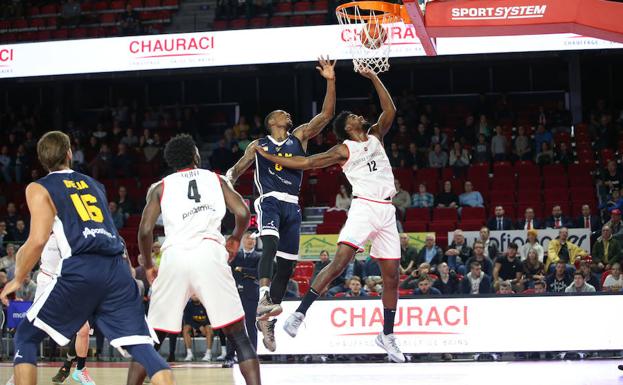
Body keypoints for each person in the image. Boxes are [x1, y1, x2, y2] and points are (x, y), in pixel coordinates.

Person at [254, 67, 405, 363]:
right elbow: (308, 162)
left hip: (388, 210)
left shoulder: (376, 135)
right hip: (363, 207)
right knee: (338, 264)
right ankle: (299, 314)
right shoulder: (342, 149)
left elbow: (390, 109)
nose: (358, 116)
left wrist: (373, 76)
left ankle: (386, 334)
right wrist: (274, 158)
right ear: (347, 126)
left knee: (392, 278)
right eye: (352, 117)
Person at [0, 131, 175, 385]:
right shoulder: (95, 185)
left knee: (26, 337)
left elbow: (37, 240)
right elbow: (114, 235)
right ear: (69, 153)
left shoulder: (39, 187)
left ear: (41, 160)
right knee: (143, 349)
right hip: (116, 269)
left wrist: (17, 278)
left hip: (81, 268)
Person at [125, 134, 260, 385]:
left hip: (174, 256)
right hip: (209, 253)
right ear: (196, 155)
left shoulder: (159, 187)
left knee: (152, 339)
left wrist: (149, 265)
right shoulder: (216, 179)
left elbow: (144, 231)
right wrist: (235, 238)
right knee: (239, 337)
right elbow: (242, 211)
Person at [225, 57, 335, 352]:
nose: (288, 113)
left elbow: (325, 115)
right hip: (270, 200)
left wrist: (330, 79)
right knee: (269, 244)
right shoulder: (258, 144)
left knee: (287, 267)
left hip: (293, 205)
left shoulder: (299, 136)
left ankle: (267, 318)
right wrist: (228, 180)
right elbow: (238, 168)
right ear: (273, 122)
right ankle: (263, 295)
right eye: (282, 113)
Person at [224, 231, 261, 365]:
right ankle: (229, 357)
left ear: (255, 242)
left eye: (252, 239)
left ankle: (252, 356)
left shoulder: (259, 257)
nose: (250, 241)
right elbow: (230, 272)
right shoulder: (234, 256)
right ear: (243, 240)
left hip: (251, 296)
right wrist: (246, 272)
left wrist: (242, 270)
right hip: (234, 295)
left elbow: (258, 273)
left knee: (251, 325)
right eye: (247, 238)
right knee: (232, 326)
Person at [182, 295, 213, 362]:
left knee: (209, 329)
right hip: (194, 327)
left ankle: (208, 353)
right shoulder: (188, 305)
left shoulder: (205, 304)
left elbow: (209, 318)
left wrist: (203, 325)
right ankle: (189, 354)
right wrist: (197, 327)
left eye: (195, 294)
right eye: (192, 295)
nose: (194, 296)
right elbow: (188, 320)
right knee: (185, 328)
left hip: (204, 326)